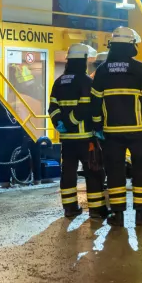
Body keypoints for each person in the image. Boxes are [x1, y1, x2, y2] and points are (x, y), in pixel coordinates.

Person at [91, 27, 142, 227]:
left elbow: (95, 101)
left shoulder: (103, 70)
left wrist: (97, 125)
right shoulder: (140, 69)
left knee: (114, 172)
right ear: (130, 45)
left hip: (111, 132)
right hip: (138, 131)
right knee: (141, 170)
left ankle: (117, 216)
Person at [49, 44, 106, 219]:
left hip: (66, 139)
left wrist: (59, 122)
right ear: (82, 60)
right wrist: (72, 122)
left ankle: (69, 207)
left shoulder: (59, 81)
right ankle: (96, 210)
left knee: (68, 173)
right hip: (85, 138)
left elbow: (52, 107)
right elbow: (86, 107)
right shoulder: (87, 81)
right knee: (94, 172)